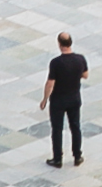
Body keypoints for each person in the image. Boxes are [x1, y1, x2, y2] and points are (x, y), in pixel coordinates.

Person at [42, 31, 88, 166]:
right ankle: (77, 156)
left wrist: (45, 99)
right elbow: (85, 75)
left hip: (58, 100)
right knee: (75, 127)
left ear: (59, 44)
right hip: (74, 98)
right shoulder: (80, 59)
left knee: (57, 129)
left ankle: (57, 158)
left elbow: (50, 83)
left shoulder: (56, 62)